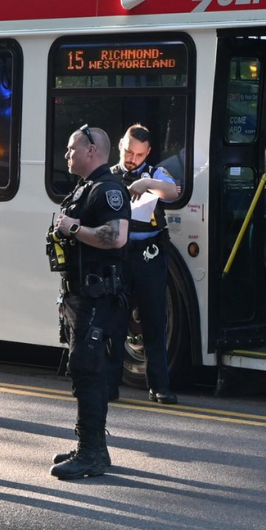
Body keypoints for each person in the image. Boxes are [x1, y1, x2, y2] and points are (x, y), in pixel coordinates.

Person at [46, 124, 129, 480]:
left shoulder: (108, 189)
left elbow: (117, 238)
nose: (67, 154)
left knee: (88, 370)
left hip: (97, 297)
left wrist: (74, 229)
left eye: (71, 148)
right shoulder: (86, 188)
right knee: (82, 368)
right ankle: (92, 446)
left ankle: (91, 453)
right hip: (80, 294)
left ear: (91, 150)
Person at [109, 124, 180, 405]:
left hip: (149, 254)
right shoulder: (109, 175)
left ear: (148, 152)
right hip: (118, 254)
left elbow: (173, 191)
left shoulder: (154, 173)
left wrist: (146, 183)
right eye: (129, 152)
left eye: (139, 154)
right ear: (120, 146)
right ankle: (110, 385)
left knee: (153, 319)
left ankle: (159, 387)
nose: (132, 159)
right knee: (114, 320)